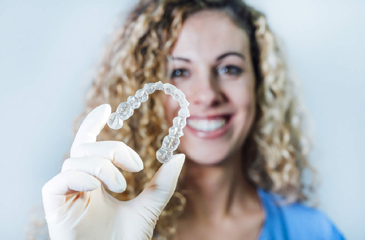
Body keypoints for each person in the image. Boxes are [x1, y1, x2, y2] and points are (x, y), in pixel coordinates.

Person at [39, 0, 346, 239]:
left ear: (260, 84)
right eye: (180, 72)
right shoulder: (105, 221)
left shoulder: (313, 233)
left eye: (229, 69)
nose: (207, 94)